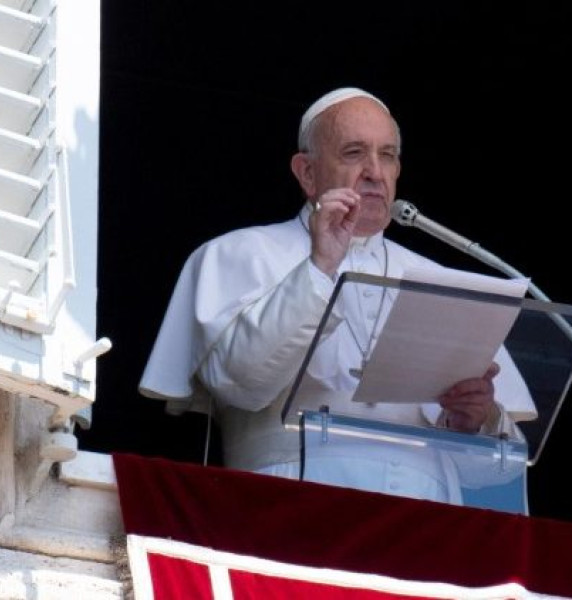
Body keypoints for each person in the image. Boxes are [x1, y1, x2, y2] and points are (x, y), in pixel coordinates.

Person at [139, 87, 537, 506]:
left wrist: (473, 421)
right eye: (353, 153)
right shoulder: (235, 254)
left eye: (387, 155)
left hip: (428, 517)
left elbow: (495, 475)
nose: (374, 171)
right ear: (306, 172)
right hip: (287, 499)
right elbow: (240, 385)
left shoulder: (439, 279)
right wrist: (319, 267)